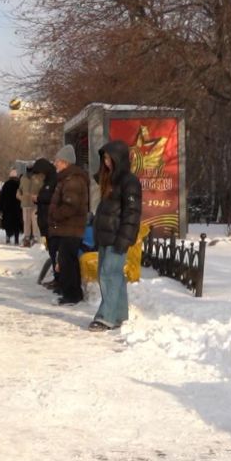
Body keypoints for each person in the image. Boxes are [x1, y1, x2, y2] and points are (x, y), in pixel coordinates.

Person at [90, 140, 142, 331]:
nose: (106, 162)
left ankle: (107, 317)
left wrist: (124, 238)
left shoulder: (129, 182)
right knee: (112, 275)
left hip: (117, 237)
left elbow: (132, 213)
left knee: (108, 275)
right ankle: (118, 314)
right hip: (106, 236)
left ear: (118, 158)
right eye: (104, 158)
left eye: (109, 158)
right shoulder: (110, 180)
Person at [48, 144, 90, 305]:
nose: (55, 164)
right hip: (69, 227)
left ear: (65, 162)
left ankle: (71, 295)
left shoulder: (73, 180)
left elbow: (70, 205)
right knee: (68, 261)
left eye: (57, 161)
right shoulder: (68, 178)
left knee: (67, 262)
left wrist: (55, 215)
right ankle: (72, 293)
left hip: (70, 227)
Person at [32, 158, 58, 284]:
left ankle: (59, 279)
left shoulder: (53, 180)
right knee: (52, 251)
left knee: (55, 251)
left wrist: (39, 197)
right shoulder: (48, 180)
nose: (39, 177)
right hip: (46, 220)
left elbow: (52, 197)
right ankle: (56, 277)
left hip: (51, 221)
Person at [17, 165, 42, 247]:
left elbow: (41, 190)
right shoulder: (23, 178)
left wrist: (38, 197)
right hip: (25, 204)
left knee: (35, 222)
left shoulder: (38, 178)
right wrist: (19, 195)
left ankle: (35, 238)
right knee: (26, 222)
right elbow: (20, 189)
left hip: (34, 204)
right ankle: (27, 238)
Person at [0, 169, 23, 245]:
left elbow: (2, 196)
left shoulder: (6, 184)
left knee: (7, 223)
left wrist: (1, 207)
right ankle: (16, 239)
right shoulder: (18, 184)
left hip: (7, 207)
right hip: (17, 207)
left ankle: (8, 237)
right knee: (16, 223)